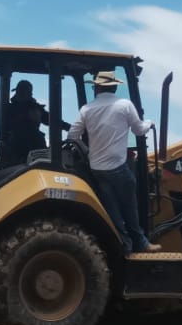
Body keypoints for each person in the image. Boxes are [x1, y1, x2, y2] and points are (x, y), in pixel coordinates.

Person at [66, 71, 158, 255]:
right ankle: (141, 242)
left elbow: (72, 136)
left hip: (97, 169)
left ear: (97, 87)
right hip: (117, 167)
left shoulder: (86, 109)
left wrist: (88, 151)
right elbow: (139, 131)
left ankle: (125, 245)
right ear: (115, 87)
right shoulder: (124, 105)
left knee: (112, 210)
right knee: (131, 203)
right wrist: (150, 123)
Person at [0, 80, 68, 162]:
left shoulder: (34, 108)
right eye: (19, 91)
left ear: (28, 94)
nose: (19, 94)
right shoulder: (10, 109)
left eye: (22, 92)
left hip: (34, 150)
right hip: (18, 149)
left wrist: (69, 127)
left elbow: (52, 121)